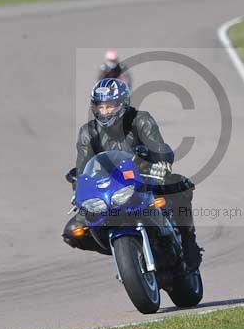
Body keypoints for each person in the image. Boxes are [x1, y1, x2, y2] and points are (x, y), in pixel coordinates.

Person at [63, 78, 203, 271]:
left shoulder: (141, 120)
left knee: (181, 186)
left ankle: (188, 242)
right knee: (73, 232)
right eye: (100, 107)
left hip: (144, 179)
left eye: (110, 106)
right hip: (110, 189)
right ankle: (125, 251)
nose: (105, 112)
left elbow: (161, 149)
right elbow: (82, 169)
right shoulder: (88, 132)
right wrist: (78, 184)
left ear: (122, 104)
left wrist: (158, 158)